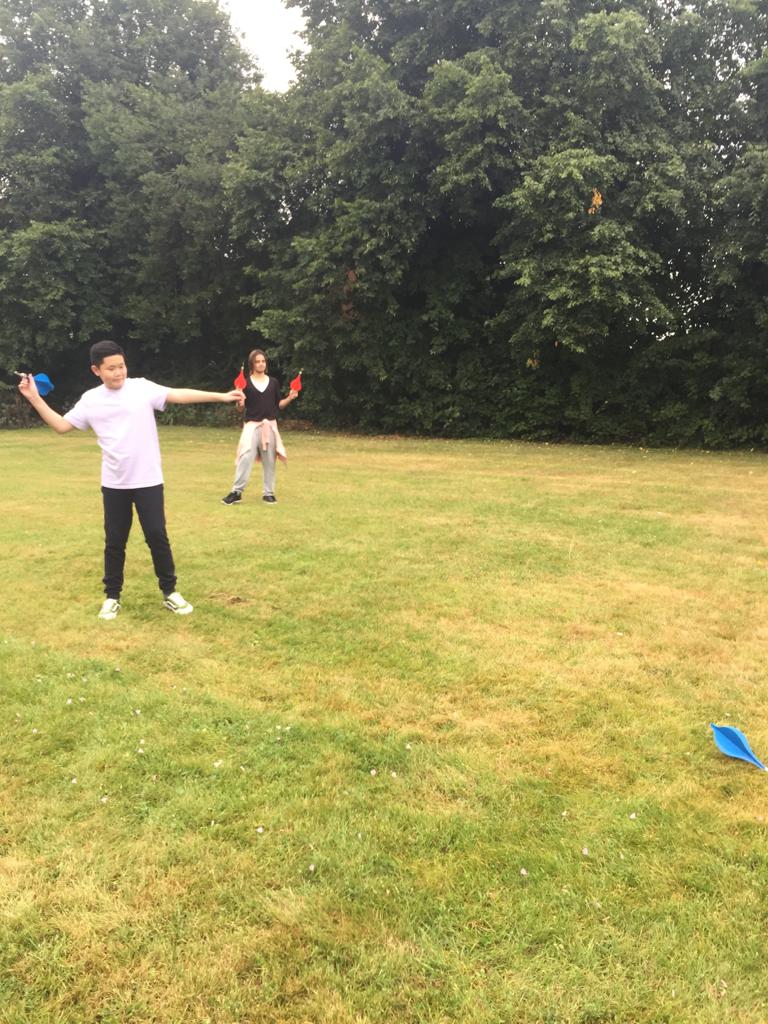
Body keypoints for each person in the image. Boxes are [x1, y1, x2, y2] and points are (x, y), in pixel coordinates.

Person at [18, 340, 244, 620]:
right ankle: (112, 597)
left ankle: (170, 592)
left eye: (121, 366)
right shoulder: (91, 400)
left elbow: (177, 394)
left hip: (149, 481)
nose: (118, 372)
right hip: (114, 484)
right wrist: (34, 398)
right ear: (96, 370)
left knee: (157, 536)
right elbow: (62, 426)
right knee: (115, 541)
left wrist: (221, 396)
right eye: (111, 368)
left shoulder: (141, 388)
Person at [221, 348, 298, 506]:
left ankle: (268, 494)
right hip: (252, 426)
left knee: (269, 460)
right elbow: (240, 409)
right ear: (252, 364)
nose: (261, 364)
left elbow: (279, 405)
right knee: (245, 457)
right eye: (257, 361)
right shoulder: (246, 384)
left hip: (270, 426)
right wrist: (240, 402)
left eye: (263, 361)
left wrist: (290, 397)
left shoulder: (274, 382)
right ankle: (236, 492)